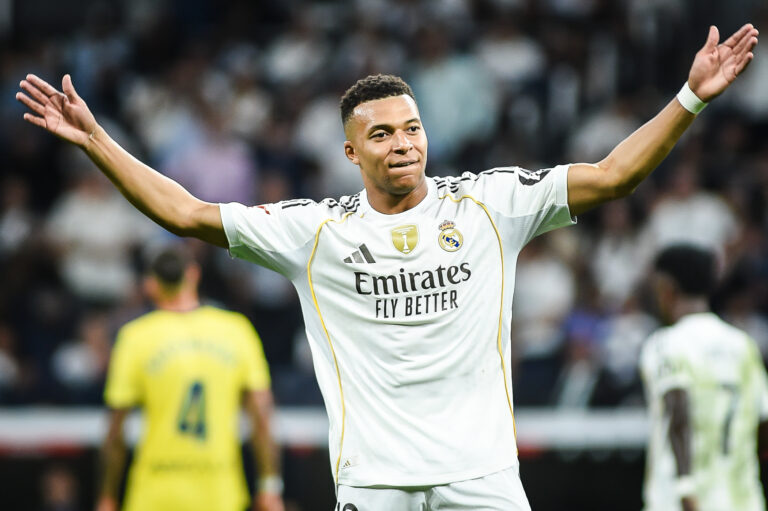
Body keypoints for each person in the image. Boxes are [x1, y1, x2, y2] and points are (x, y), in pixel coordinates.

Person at [17, 23, 758, 511]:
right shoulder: (316, 230)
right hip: (373, 485)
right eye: (380, 134)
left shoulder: (491, 203)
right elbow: (185, 212)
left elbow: (613, 174)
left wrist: (691, 96)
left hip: (483, 478)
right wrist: (98, 144)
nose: (402, 142)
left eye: (411, 127)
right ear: (351, 153)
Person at [96, 244, 284, 511]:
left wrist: (107, 496)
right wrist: (269, 487)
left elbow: (115, 432)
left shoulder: (135, 337)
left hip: (154, 495)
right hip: (220, 494)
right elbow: (262, 416)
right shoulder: (236, 331)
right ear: (193, 275)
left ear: (150, 284)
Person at [640, 245, 768, 511]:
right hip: (742, 500)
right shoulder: (743, 345)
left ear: (667, 288)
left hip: (681, 503)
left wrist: (686, 487)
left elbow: (678, 406)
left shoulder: (665, 344)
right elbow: (763, 422)